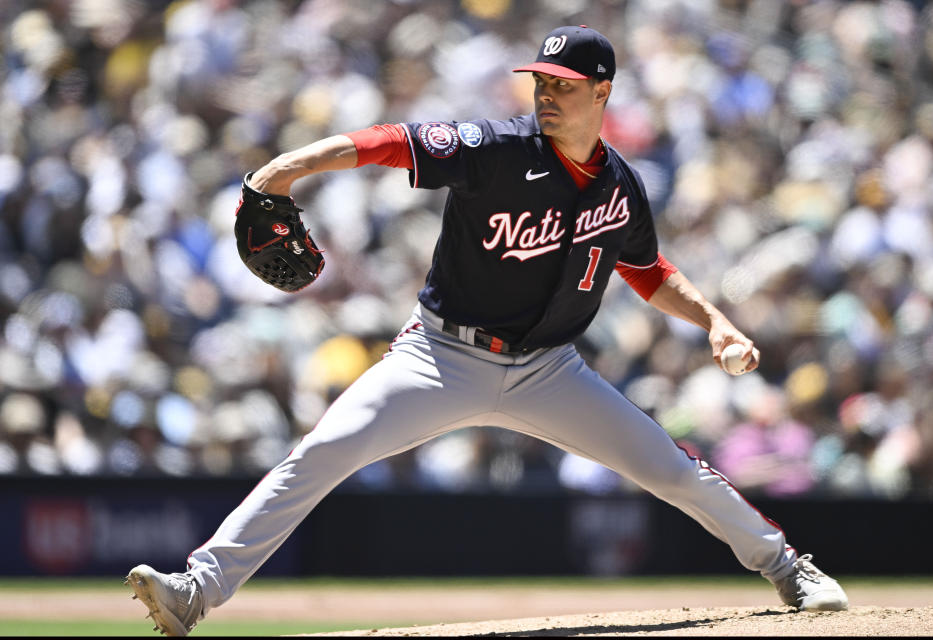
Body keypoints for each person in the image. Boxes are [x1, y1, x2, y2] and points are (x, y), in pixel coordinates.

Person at [126, 25, 848, 636]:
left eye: (563, 84)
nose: (546, 94)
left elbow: (646, 268)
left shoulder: (620, 183)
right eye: (541, 81)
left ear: (602, 92)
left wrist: (716, 321)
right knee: (320, 453)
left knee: (669, 469)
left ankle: (789, 568)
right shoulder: (497, 147)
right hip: (440, 354)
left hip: (549, 370)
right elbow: (390, 141)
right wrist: (287, 169)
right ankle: (195, 590)